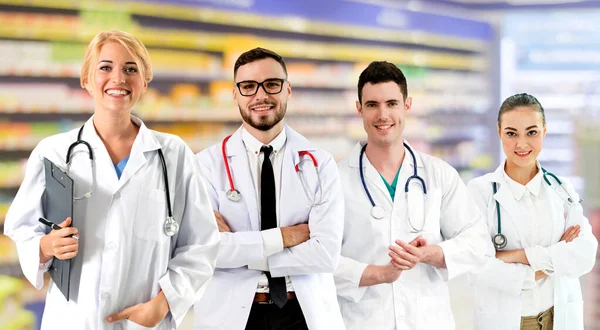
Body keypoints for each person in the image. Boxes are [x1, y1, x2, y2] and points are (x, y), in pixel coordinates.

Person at [3, 30, 220, 329]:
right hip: (76, 319)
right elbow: (22, 228)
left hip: (145, 321)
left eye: (131, 69)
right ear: (86, 80)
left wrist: (163, 303)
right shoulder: (54, 152)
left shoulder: (174, 155)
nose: (118, 78)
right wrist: (46, 246)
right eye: (105, 67)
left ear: (144, 82)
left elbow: (202, 244)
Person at [193, 47, 345, 330]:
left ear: (288, 90)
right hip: (233, 314)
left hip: (303, 312)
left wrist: (242, 250)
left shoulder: (319, 163)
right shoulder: (205, 165)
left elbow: (326, 254)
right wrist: (287, 237)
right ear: (235, 94)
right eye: (248, 86)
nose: (260, 96)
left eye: (272, 84)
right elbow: (207, 251)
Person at [333, 61, 490, 329]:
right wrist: (379, 274)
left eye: (392, 103)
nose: (383, 114)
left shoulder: (438, 174)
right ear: (359, 108)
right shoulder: (335, 179)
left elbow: (479, 243)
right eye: (372, 105)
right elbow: (320, 262)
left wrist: (430, 253)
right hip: (363, 321)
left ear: (407, 105)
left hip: (428, 320)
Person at [467, 93, 598, 330]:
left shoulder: (562, 189)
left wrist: (517, 256)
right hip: (507, 321)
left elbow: (585, 254)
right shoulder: (480, 193)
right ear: (499, 132)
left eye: (531, 132)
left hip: (558, 318)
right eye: (511, 133)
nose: (522, 143)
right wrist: (548, 262)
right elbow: (475, 267)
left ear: (544, 131)